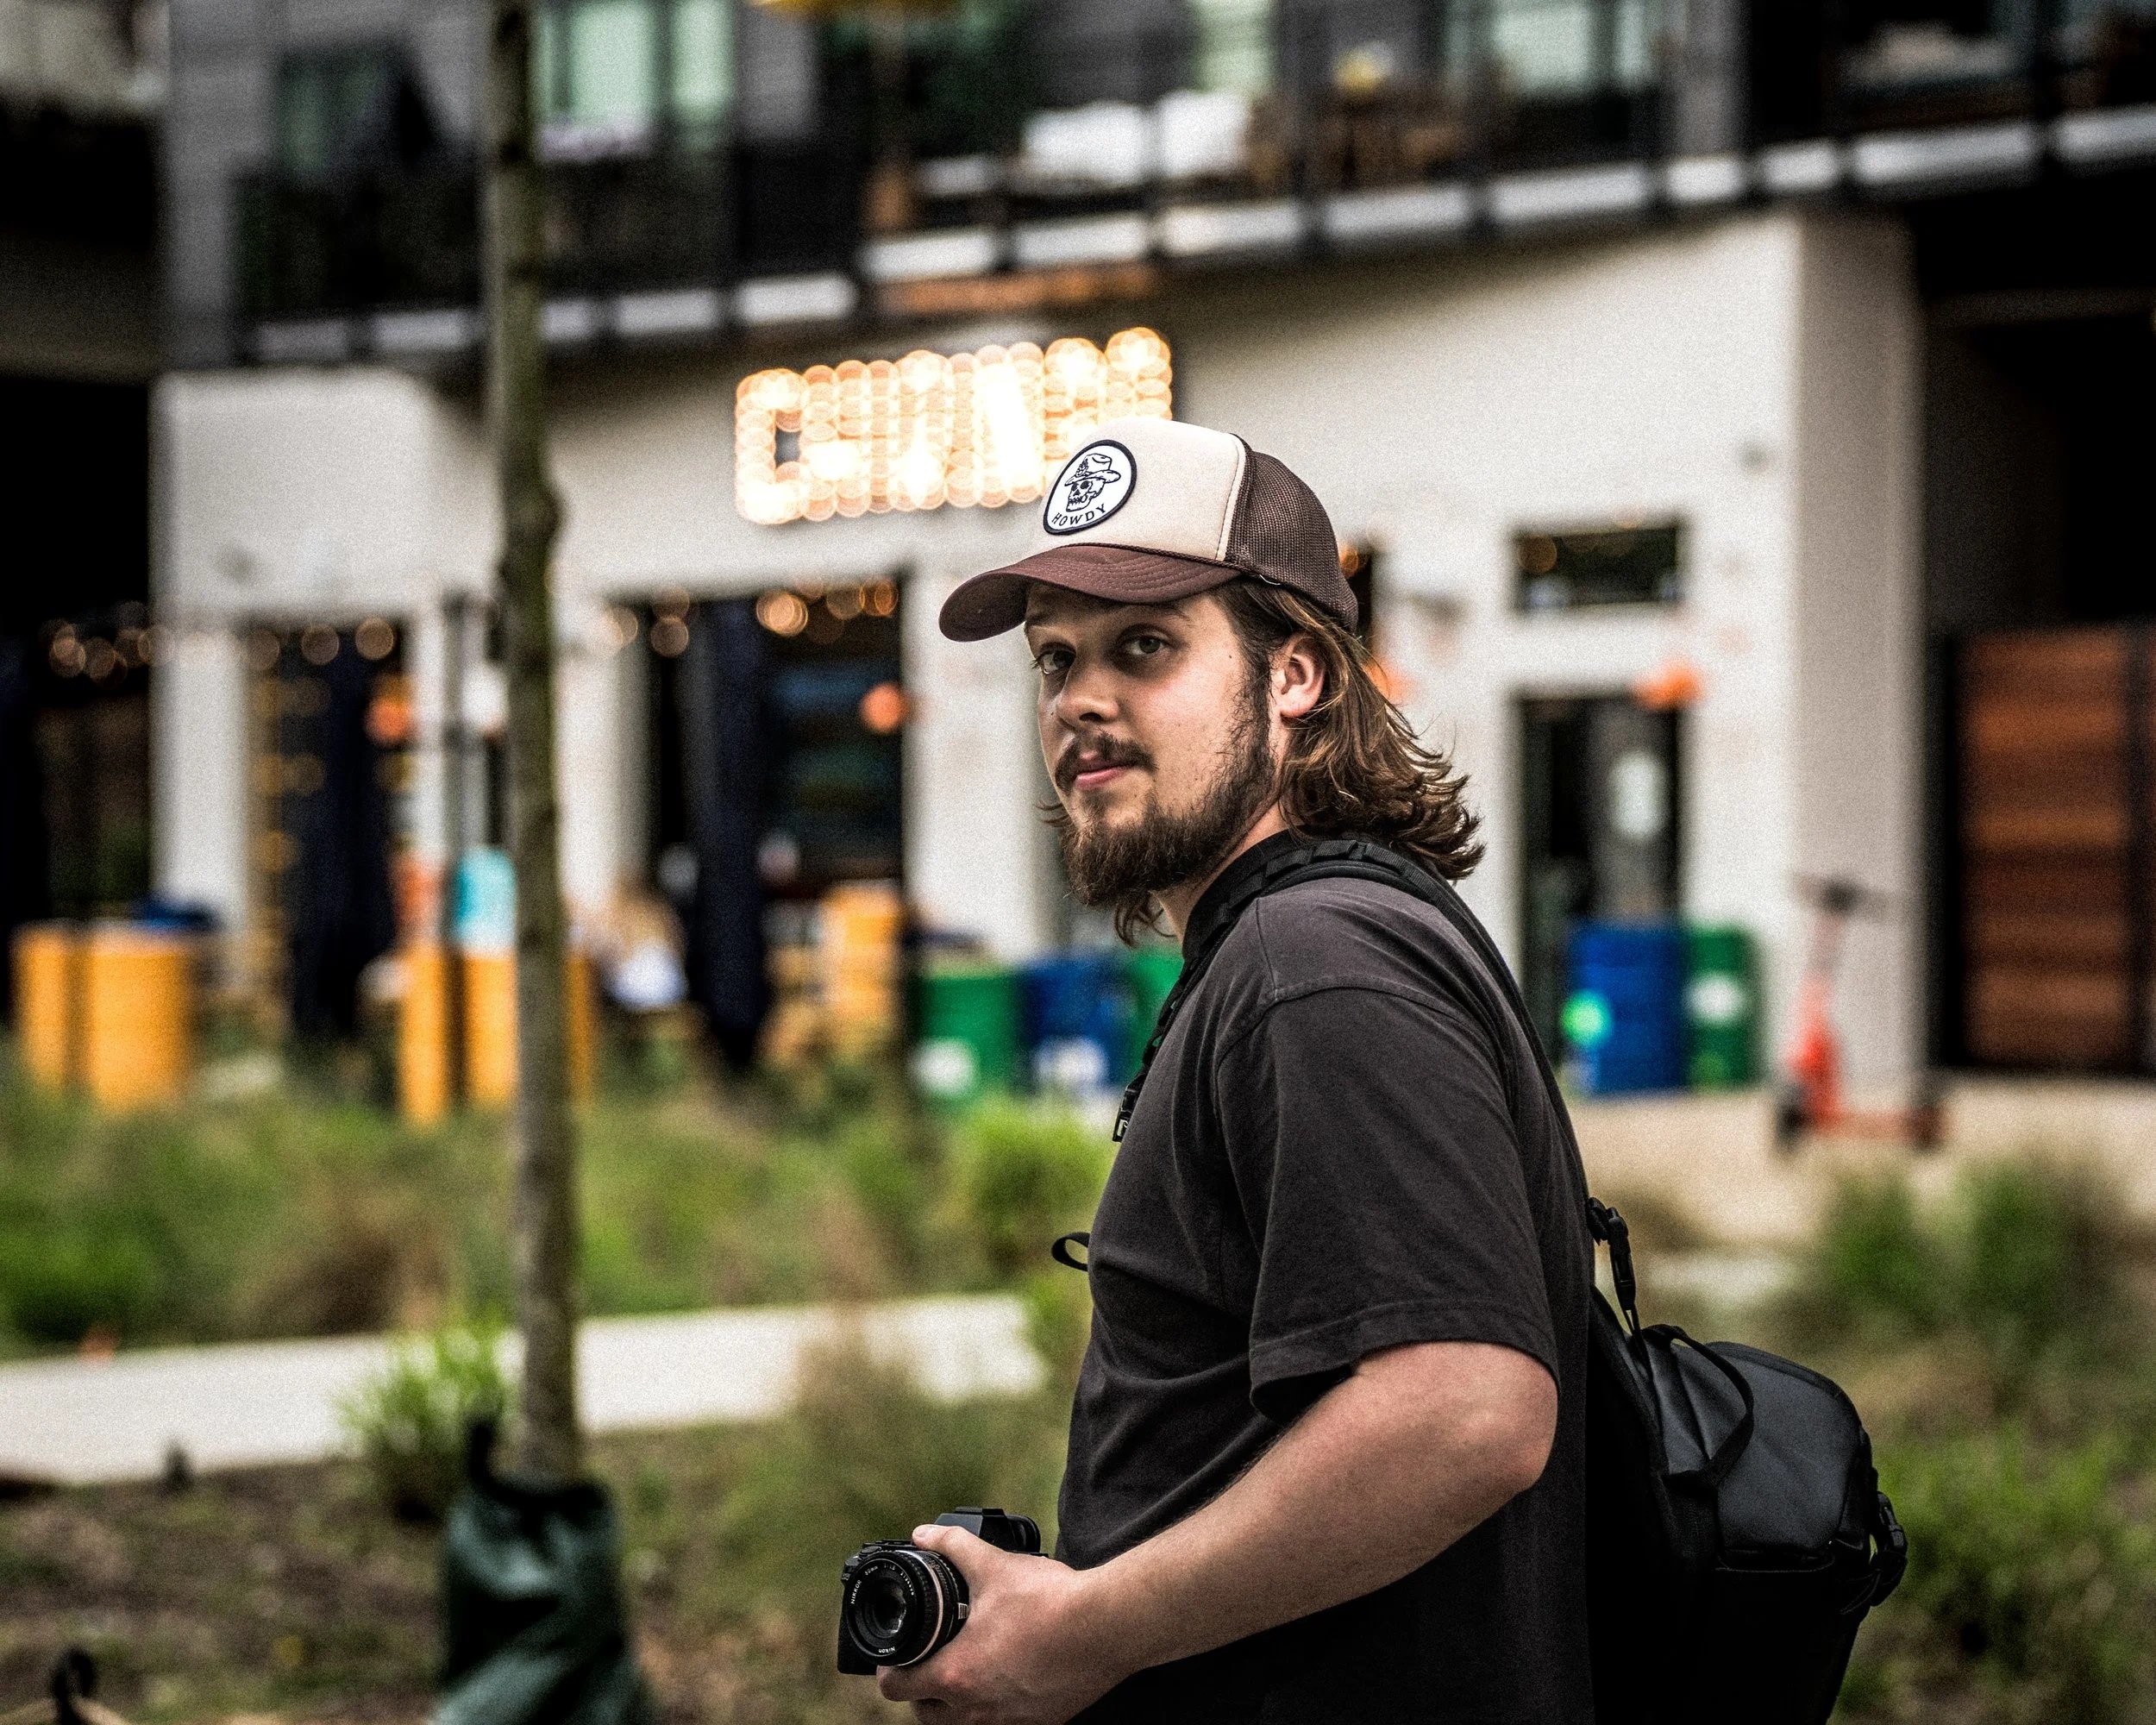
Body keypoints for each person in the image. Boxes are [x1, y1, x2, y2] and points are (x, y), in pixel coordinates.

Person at [885, 417, 1595, 1724]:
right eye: (1056, 660)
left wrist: (1083, 1632)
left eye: (1144, 647)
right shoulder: (1308, 942)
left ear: (1298, 677)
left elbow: (1467, 1410)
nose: (1080, 702)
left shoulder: (1314, 962)